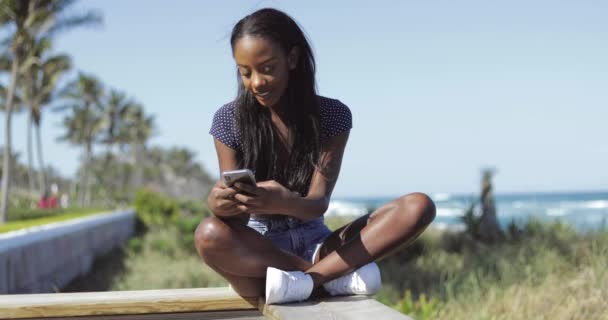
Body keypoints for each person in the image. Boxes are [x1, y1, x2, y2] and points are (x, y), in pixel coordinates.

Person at [195, 8, 436, 305]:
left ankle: (308, 280)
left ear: (292, 59)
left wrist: (283, 201)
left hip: (317, 240)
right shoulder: (229, 119)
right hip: (261, 249)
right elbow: (235, 218)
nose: (256, 82)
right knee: (208, 234)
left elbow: (317, 204)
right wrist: (218, 203)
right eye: (245, 72)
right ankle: (331, 276)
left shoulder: (332, 116)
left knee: (418, 207)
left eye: (267, 67)